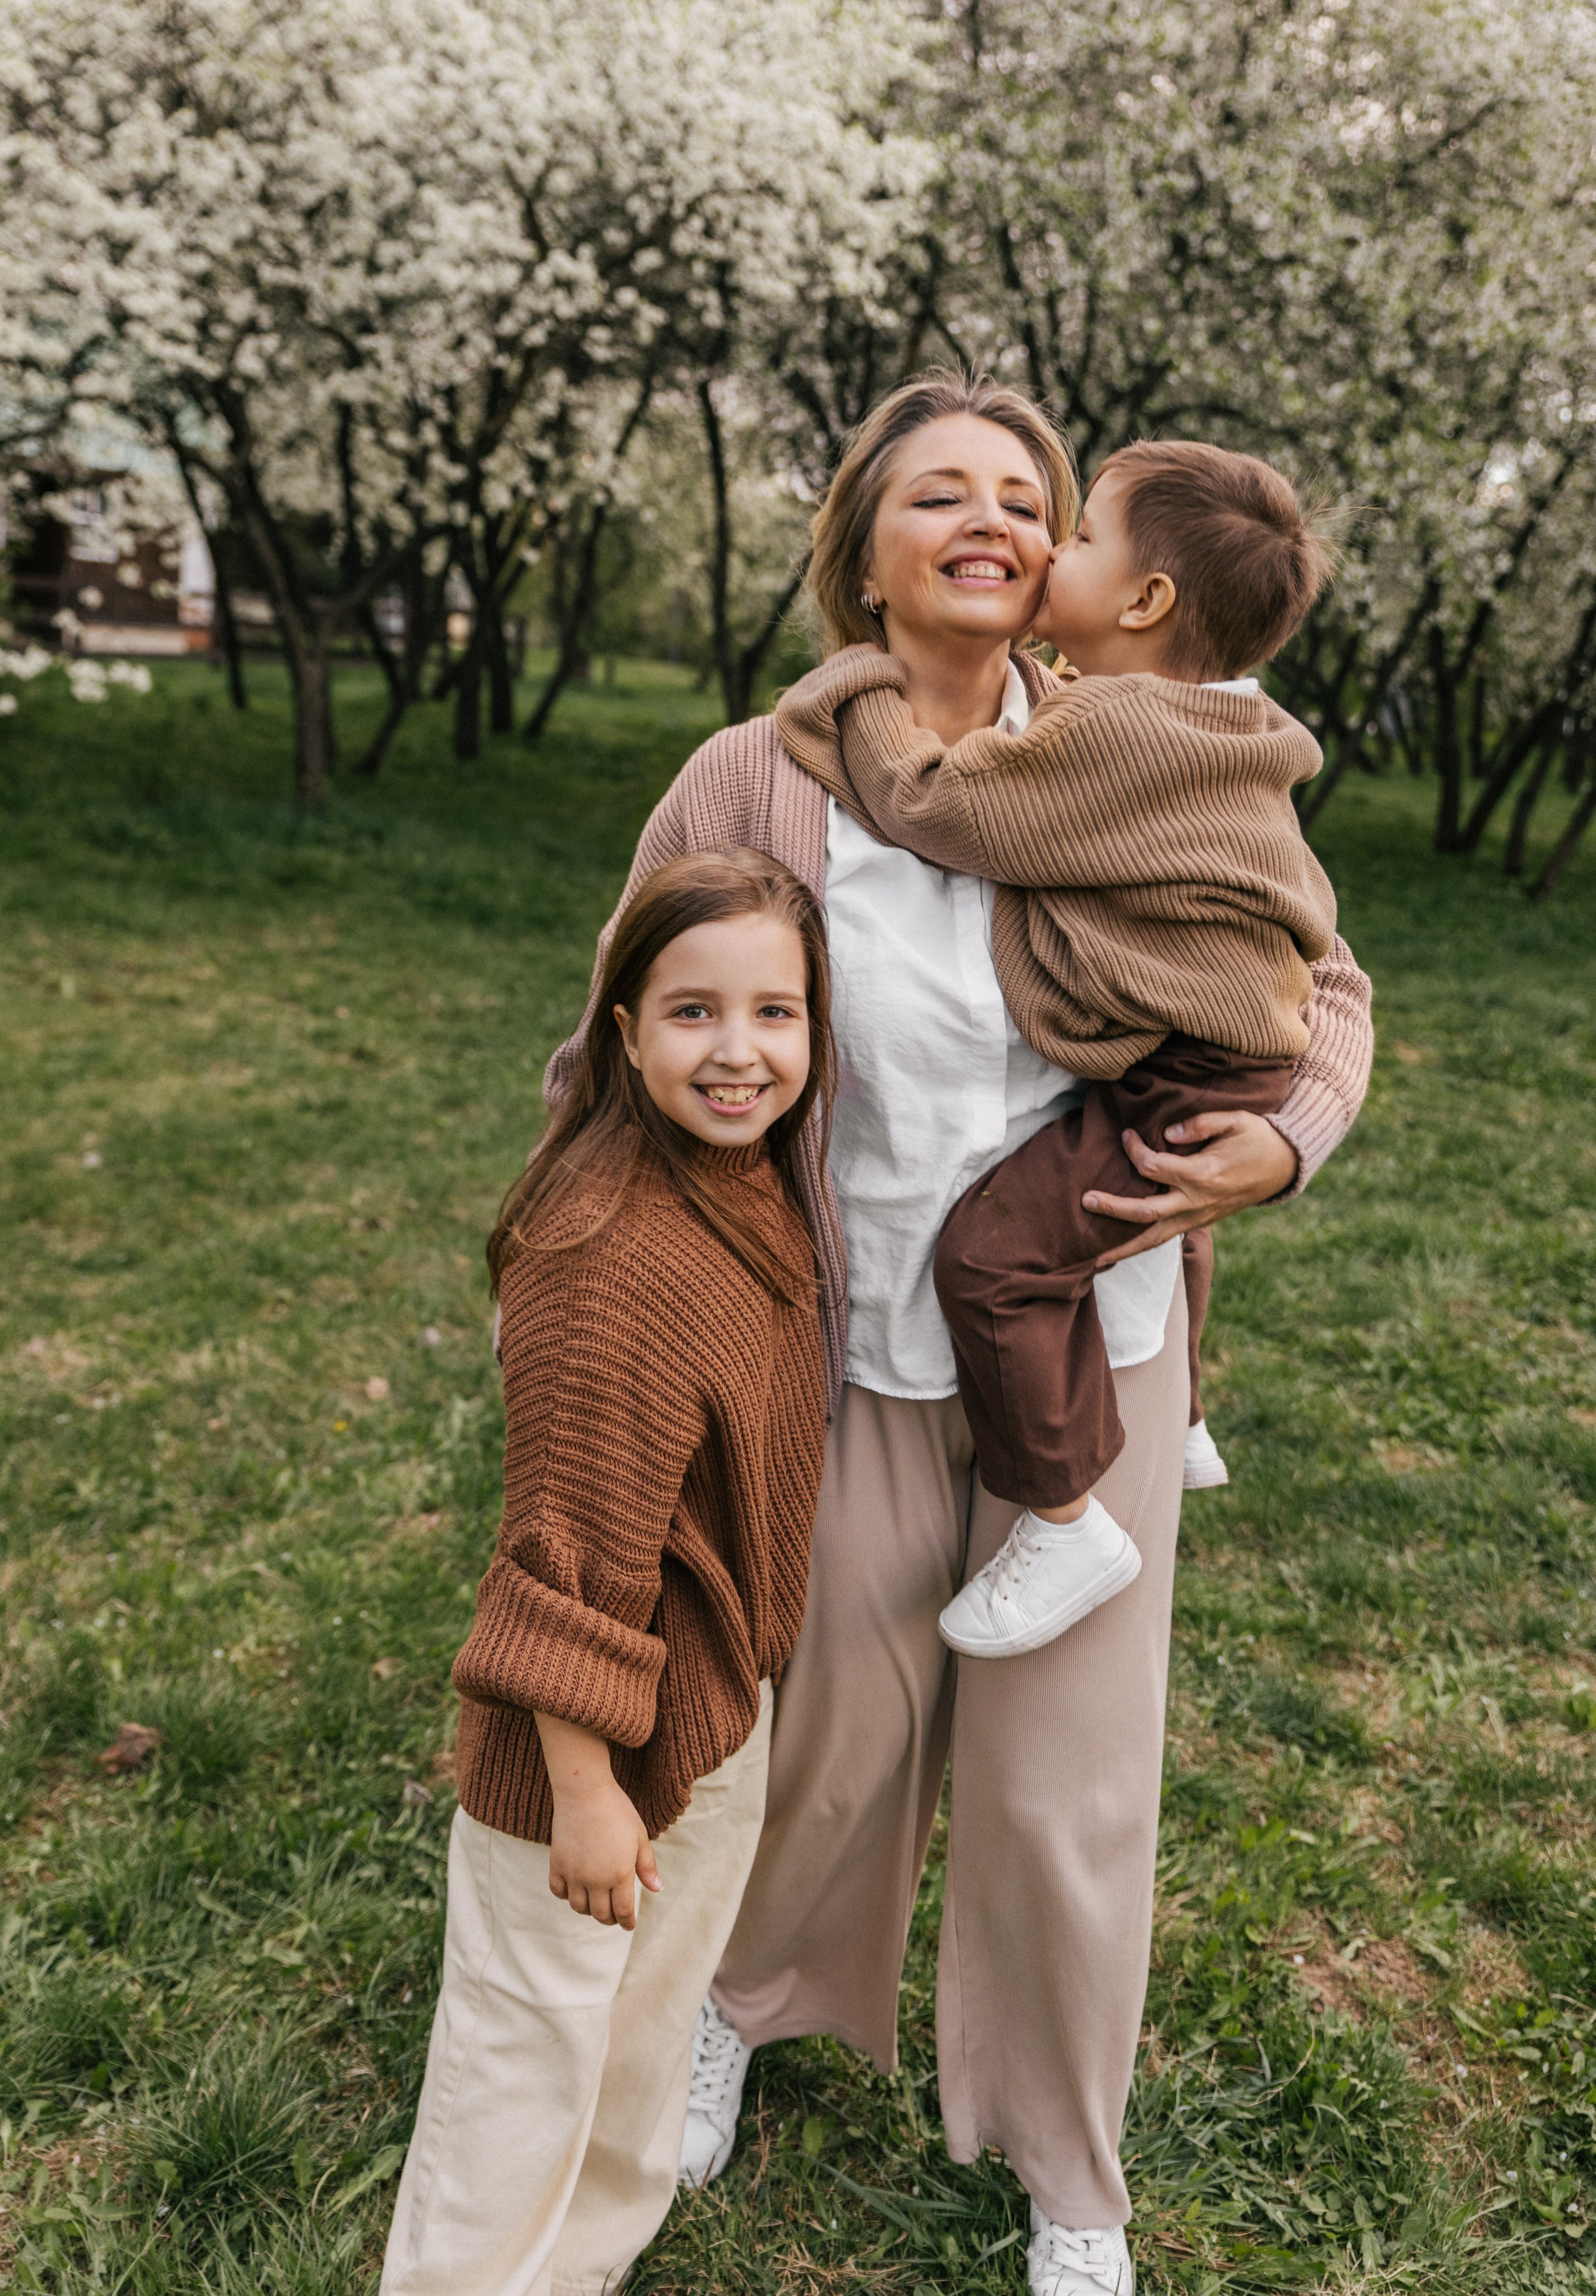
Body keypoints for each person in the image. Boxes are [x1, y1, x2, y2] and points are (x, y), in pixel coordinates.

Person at [544, 371, 1373, 2296]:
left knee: (1064, 1787)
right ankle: (748, 2004)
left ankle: (1072, 2171)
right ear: (868, 549)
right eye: (943, 493)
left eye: (1028, 494)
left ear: (1084, 567)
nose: (994, 520)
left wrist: (1292, 1133)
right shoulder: (757, 776)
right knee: (836, 1738)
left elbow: (1314, 971)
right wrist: (583, 1261)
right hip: (839, 1343)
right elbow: (624, 1023)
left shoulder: (1126, 749)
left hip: (1095, 1349)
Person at [773, 439, 1340, 1662]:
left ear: (1144, 601)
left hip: (1191, 1076)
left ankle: (1065, 1514)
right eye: (941, 497)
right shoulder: (1222, 729)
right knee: (1154, 1211)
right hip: (1212, 1057)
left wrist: (850, 698)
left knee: (995, 1255)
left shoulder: (1114, 734)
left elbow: (934, 804)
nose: (1028, 539)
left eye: (1066, 528)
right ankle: (1188, 1415)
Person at [379, 849, 835, 2296]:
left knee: (644, 2025)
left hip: (709, 1702)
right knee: (526, 2057)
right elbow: (562, 1565)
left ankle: (582, 2260)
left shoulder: (743, 1185)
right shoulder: (604, 1252)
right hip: (582, 1757)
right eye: (694, 1012)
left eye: (775, 1011)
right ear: (624, 1032)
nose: (740, 1051)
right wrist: (582, 1794)